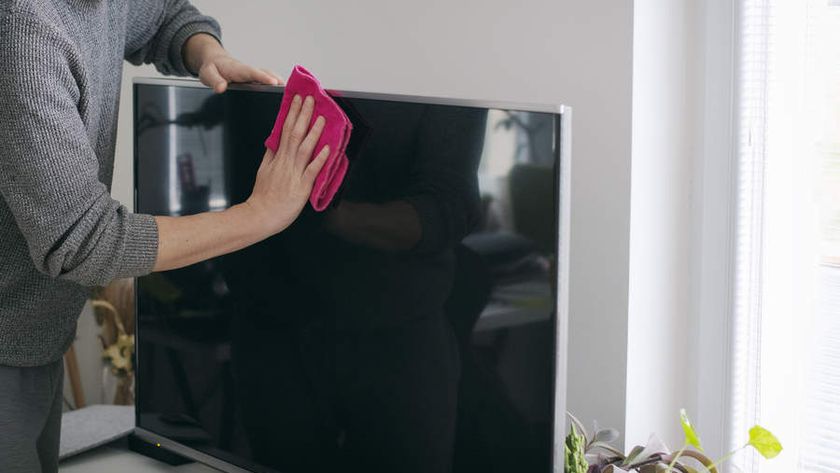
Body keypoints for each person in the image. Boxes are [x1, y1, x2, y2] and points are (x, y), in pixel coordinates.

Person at [0, 1, 329, 472]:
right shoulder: (22, 32)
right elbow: (82, 242)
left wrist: (206, 53)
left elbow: (162, 16)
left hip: (39, 336)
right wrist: (261, 215)